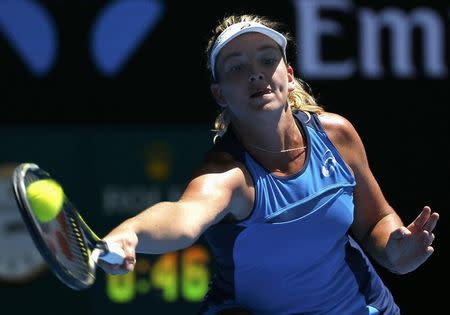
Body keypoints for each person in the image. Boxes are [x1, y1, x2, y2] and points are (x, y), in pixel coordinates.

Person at [97, 13, 440, 315]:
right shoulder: (228, 174)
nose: (255, 74)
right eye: (237, 67)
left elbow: (375, 220)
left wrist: (397, 249)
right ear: (219, 94)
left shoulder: (337, 136)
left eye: (266, 60)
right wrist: (131, 232)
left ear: (288, 75)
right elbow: (183, 218)